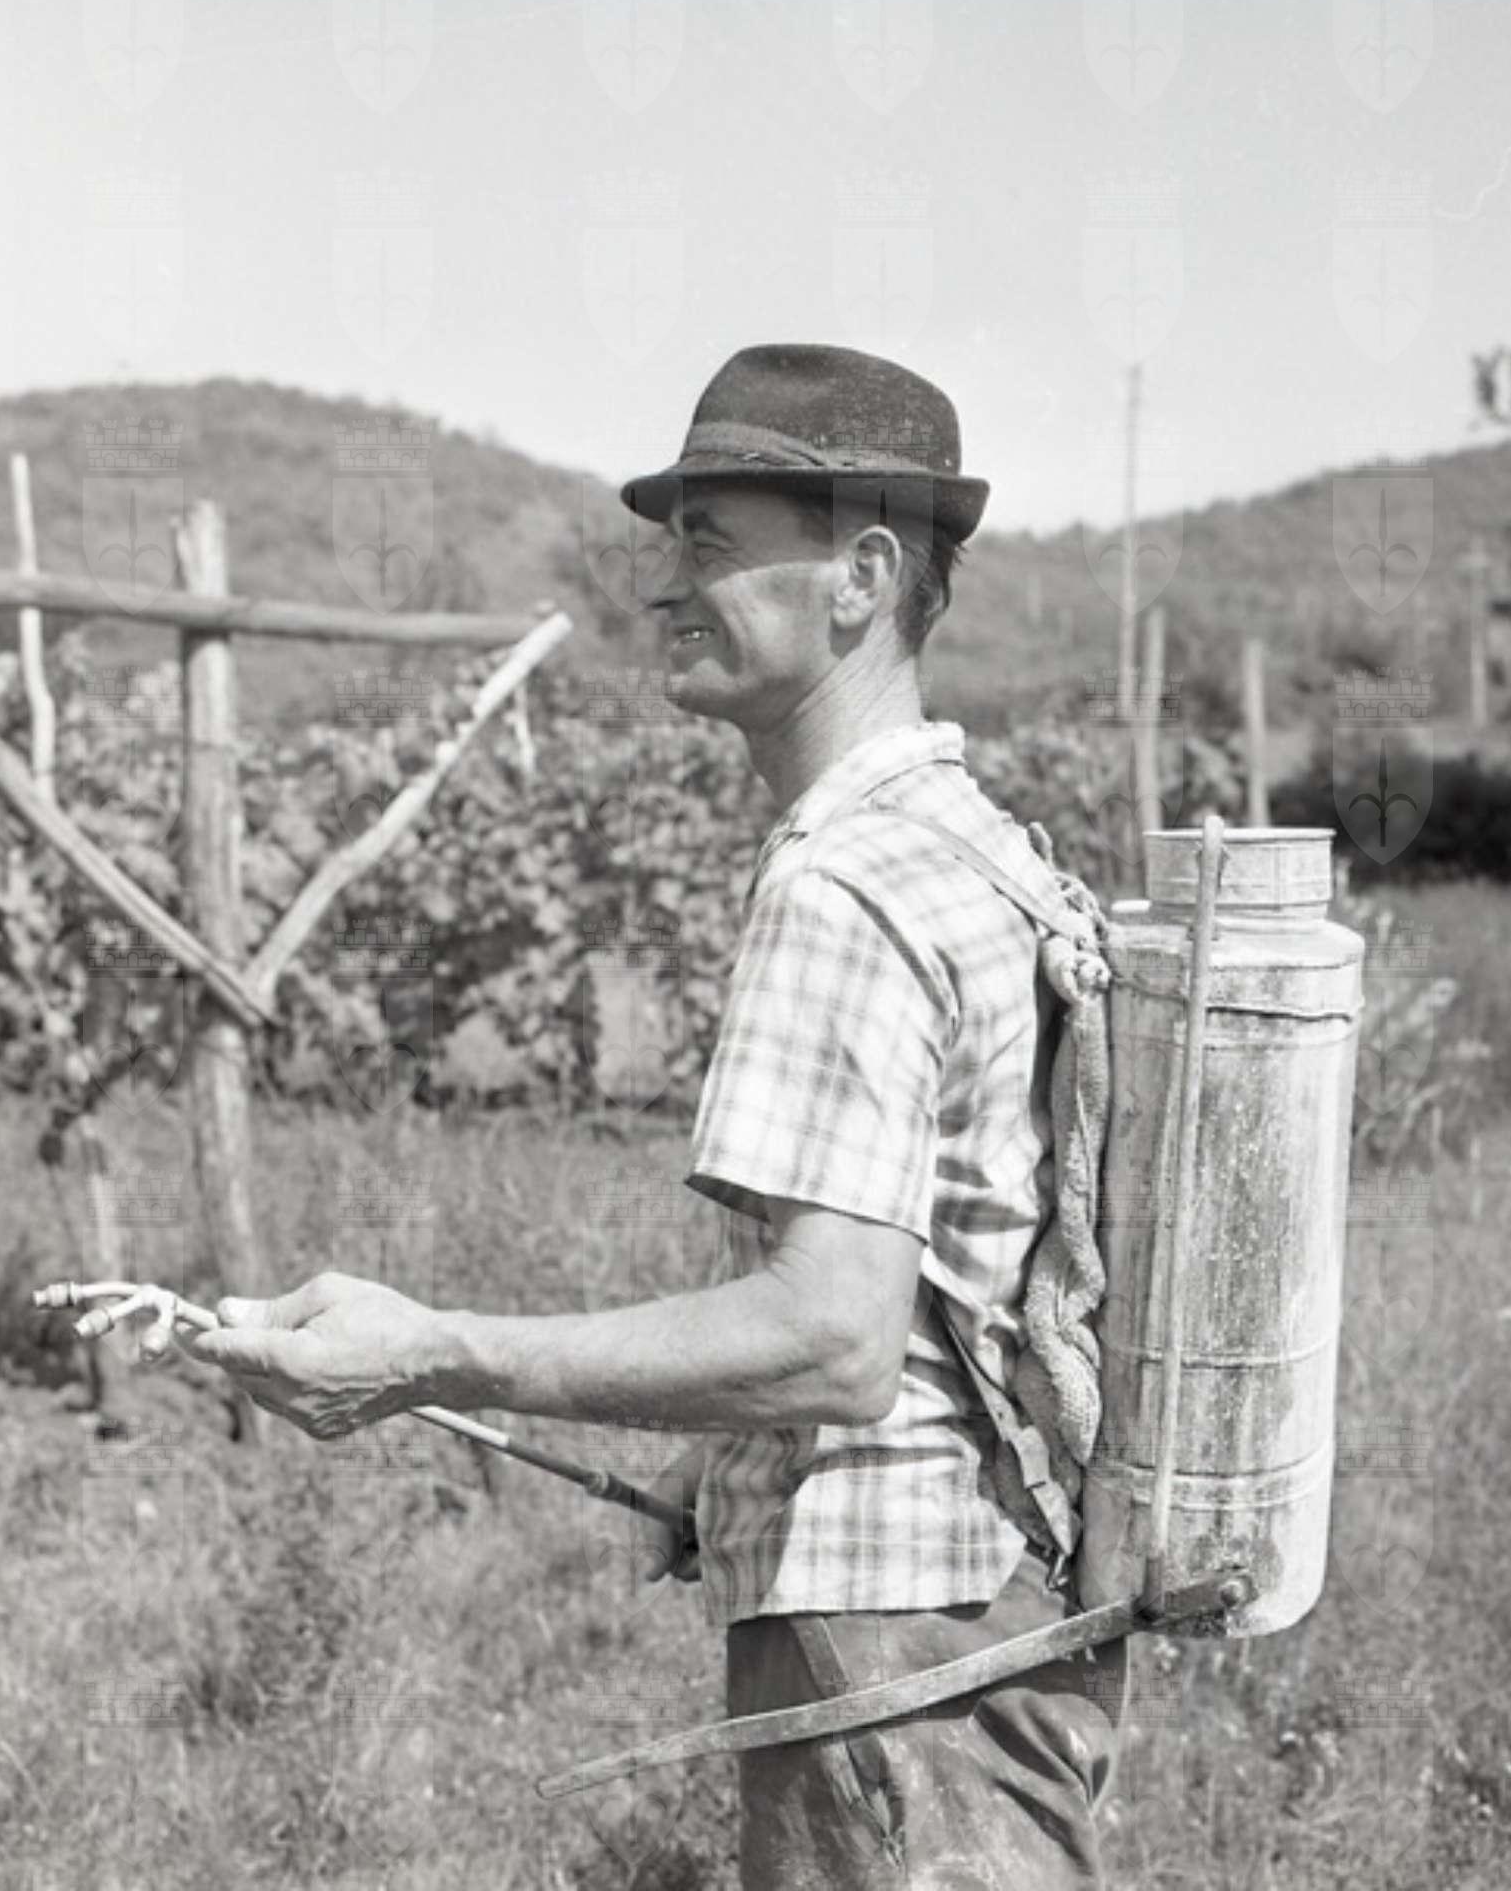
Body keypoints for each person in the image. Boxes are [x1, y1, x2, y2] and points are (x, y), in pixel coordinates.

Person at [178, 344, 1128, 1887]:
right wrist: (729, 1456)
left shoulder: (840, 881)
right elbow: (953, 1276)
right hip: (985, 1600)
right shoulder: (973, 845)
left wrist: (433, 1352)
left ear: (861, 578)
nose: (662, 586)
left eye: (710, 543)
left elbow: (832, 1338)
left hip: (886, 1645)